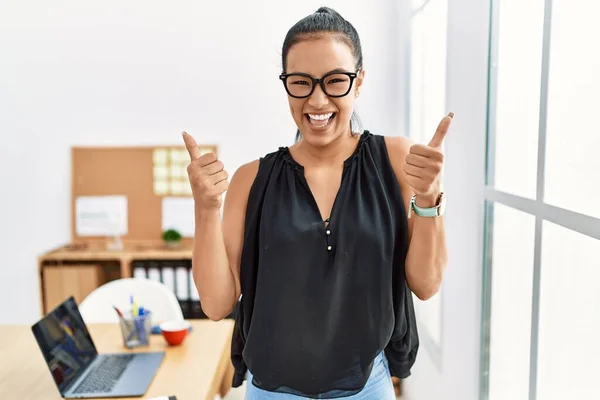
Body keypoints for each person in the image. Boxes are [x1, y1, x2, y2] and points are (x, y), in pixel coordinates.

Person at [182, 7, 451, 400]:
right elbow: (216, 304)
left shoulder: (396, 160)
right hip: (272, 391)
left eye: (335, 81)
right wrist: (206, 209)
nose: (317, 99)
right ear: (286, 84)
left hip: (367, 387)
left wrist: (428, 198)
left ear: (359, 82)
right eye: (301, 82)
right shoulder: (251, 179)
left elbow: (425, 285)